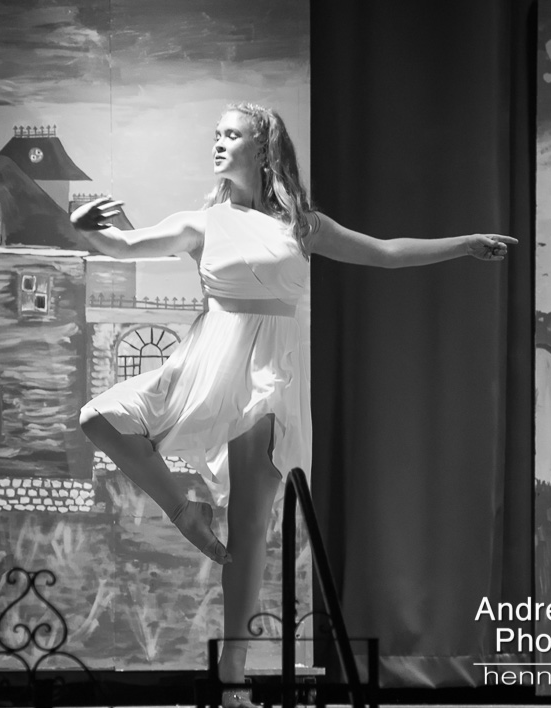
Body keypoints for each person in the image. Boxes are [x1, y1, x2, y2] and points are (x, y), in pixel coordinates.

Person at [71, 103, 516, 708]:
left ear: (263, 147)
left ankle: (232, 673)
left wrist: (464, 244)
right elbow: (123, 245)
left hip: (269, 375)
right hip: (207, 365)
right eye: (216, 134)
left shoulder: (302, 226)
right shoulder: (202, 222)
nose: (218, 142)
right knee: (98, 418)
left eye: (231, 134)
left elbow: (385, 252)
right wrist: (84, 224)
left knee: (249, 528)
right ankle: (184, 512)